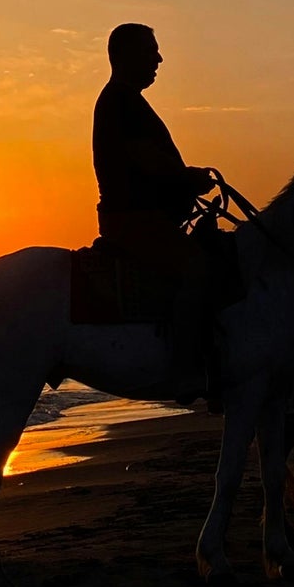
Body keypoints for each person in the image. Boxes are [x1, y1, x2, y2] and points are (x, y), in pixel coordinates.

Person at [92, 23, 214, 396]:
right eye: (151, 51)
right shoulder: (121, 100)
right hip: (136, 223)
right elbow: (146, 161)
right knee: (200, 273)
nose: (159, 58)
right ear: (125, 56)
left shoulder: (125, 99)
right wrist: (188, 178)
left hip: (147, 219)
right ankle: (185, 366)